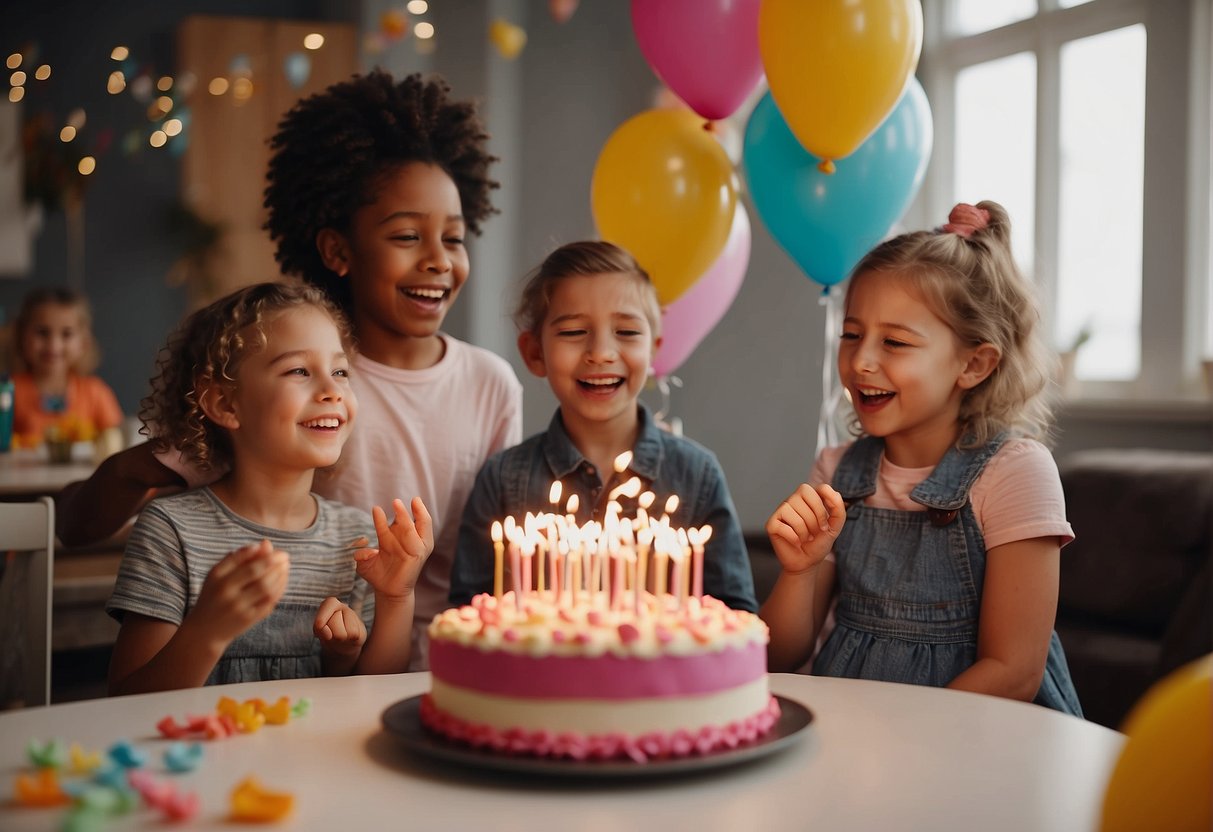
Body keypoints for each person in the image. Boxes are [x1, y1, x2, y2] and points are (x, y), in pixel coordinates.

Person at [59, 71, 523, 669]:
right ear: (337, 251)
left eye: (454, 239)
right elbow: (87, 521)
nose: (438, 260)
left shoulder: (491, 384)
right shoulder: (286, 382)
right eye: (408, 235)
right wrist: (138, 469)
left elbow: (495, 563)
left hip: (433, 666)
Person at [760, 201, 1082, 715]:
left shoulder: (1015, 473)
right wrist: (800, 571)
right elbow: (779, 655)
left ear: (974, 364)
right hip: (854, 738)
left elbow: (1014, 672)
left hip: (980, 740)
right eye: (851, 335)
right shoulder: (836, 472)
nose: (862, 360)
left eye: (895, 342)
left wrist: (902, 737)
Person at [107, 282, 433, 694]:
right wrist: (206, 631)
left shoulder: (354, 540)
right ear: (225, 404)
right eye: (299, 370)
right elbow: (126, 701)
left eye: (340, 371)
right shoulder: (171, 531)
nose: (332, 390)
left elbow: (372, 696)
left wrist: (396, 597)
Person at [449, 240, 757, 612]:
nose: (601, 352)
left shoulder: (698, 476)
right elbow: (467, 613)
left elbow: (737, 613)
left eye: (626, 332)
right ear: (534, 352)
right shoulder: (502, 480)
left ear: (654, 348)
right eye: (574, 332)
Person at [9, 287, 123, 449]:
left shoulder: (96, 392)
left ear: (84, 342)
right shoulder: (9, 392)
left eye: (67, 334)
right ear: (22, 336)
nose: (53, 345)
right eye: (42, 332)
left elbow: (115, 442)